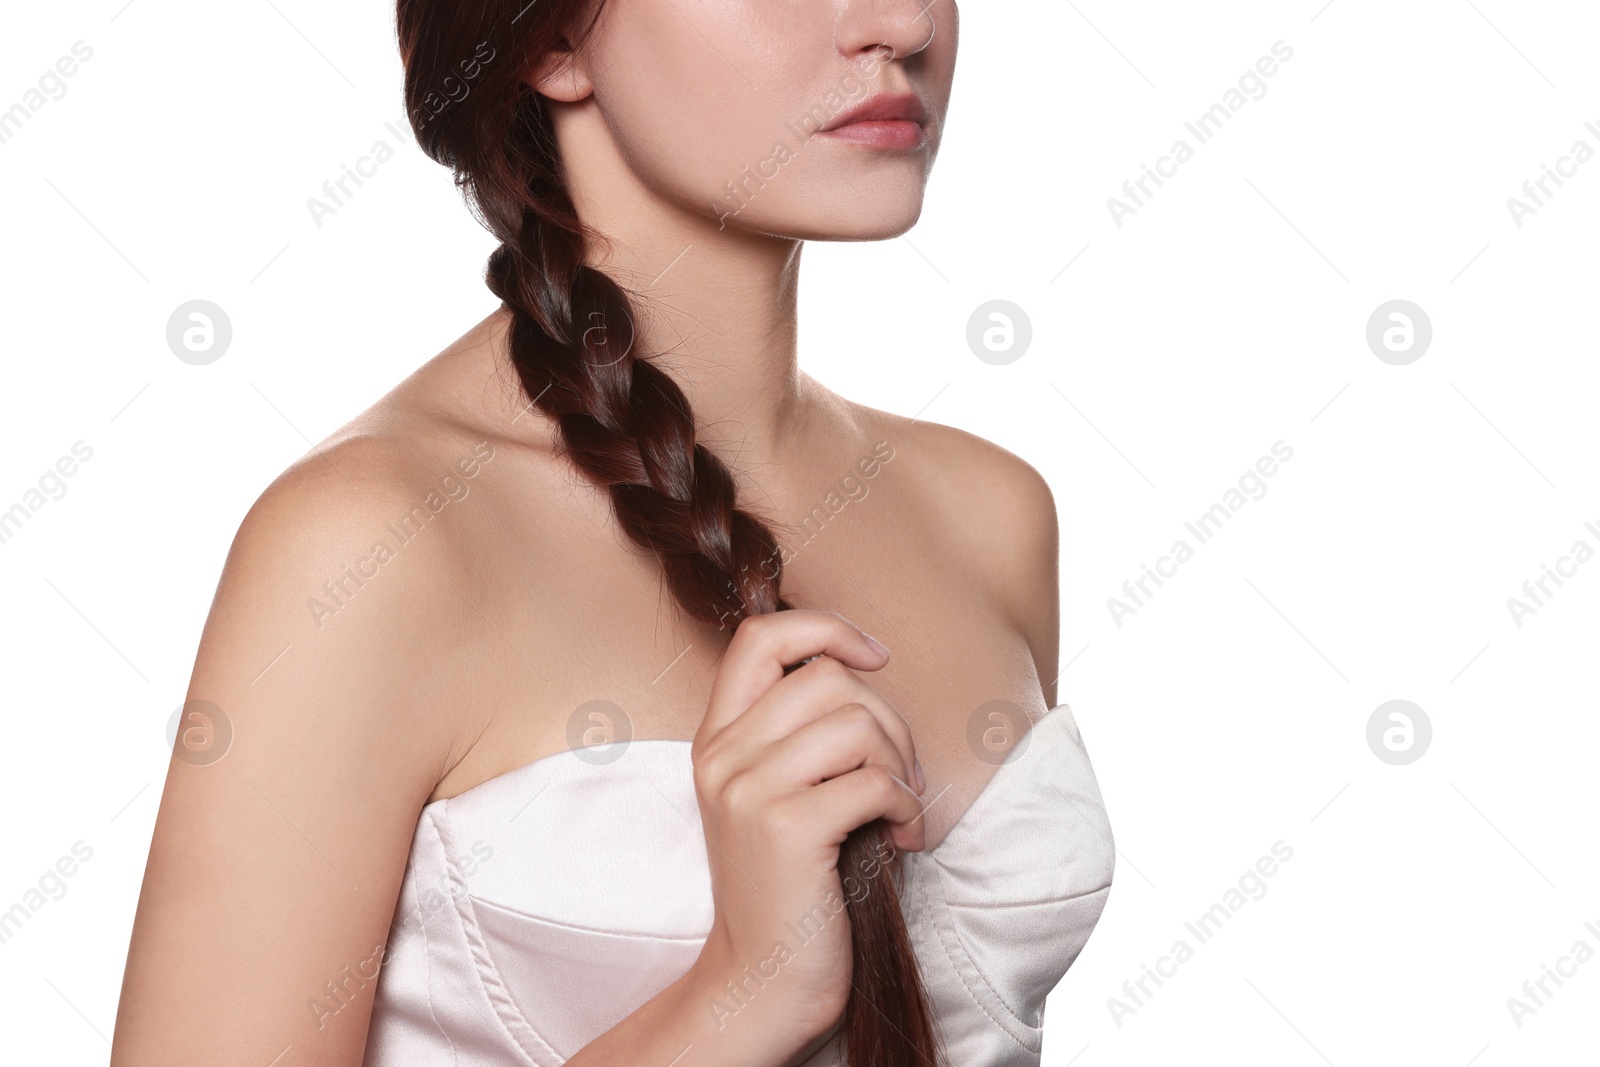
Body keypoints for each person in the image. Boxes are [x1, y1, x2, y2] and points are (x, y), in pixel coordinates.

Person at [110, 1, 1113, 1064]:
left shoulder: (989, 513)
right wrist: (732, 997)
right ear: (549, 41)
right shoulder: (370, 548)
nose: (902, 22)